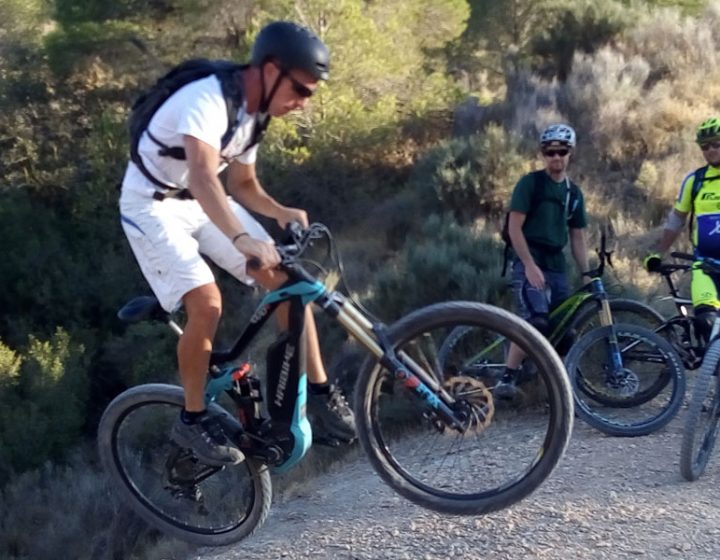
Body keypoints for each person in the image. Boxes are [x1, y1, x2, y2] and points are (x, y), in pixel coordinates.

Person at [119, 21, 356, 467]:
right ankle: (191, 420)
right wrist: (243, 236)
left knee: (288, 283)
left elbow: (242, 184)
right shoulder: (207, 99)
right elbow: (207, 176)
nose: (304, 104)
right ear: (270, 70)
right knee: (206, 304)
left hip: (201, 202)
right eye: (301, 91)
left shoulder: (254, 115)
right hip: (150, 204)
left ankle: (322, 396)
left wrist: (279, 210)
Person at [496, 123, 590, 399]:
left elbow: (578, 237)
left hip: (557, 264)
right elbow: (514, 229)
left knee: (563, 331)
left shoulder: (574, 193)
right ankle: (507, 376)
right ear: (543, 154)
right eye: (550, 153)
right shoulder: (531, 184)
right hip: (530, 258)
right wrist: (528, 265)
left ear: (570, 153)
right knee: (536, 321)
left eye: (561, 152)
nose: (556, 157)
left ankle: (559, 392)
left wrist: (585, 274)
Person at [644, 117, 720, 343]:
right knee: (706, 322)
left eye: (717, 143)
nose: (711, 150)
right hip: (705, 266)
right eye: (705, 146)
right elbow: (676, 220)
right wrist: (659, 252)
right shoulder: (694, 181)